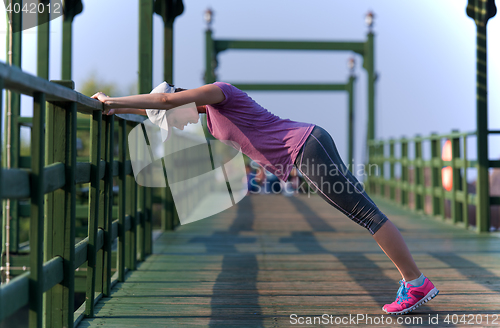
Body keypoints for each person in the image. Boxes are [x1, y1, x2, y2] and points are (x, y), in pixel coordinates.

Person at [92, 82, 439, 315]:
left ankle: (416, 283)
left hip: (306, 147)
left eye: (174, 120)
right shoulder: (208, 113)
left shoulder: (220, 92)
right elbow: (162, 108)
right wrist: (116, 110)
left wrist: (113, 100)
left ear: (182, 101)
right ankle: (414, 281)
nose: (180, 126)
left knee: (367, 216)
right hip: (306, 150)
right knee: (365, 215)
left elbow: (165, 102)